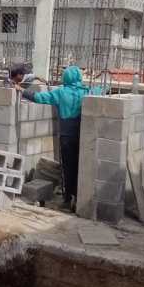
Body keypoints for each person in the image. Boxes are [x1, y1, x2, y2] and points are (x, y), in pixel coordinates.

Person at [31, 65, 100, 209]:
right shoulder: (87, 92)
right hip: (83, 137)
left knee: (68, 168)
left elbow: (40, 97)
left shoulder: (61, 92)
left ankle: (68, 198)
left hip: (67, 137)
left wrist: (23, 92)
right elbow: (102, 92)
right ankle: (79, 197)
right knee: (80, 166)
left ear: (66, 78)